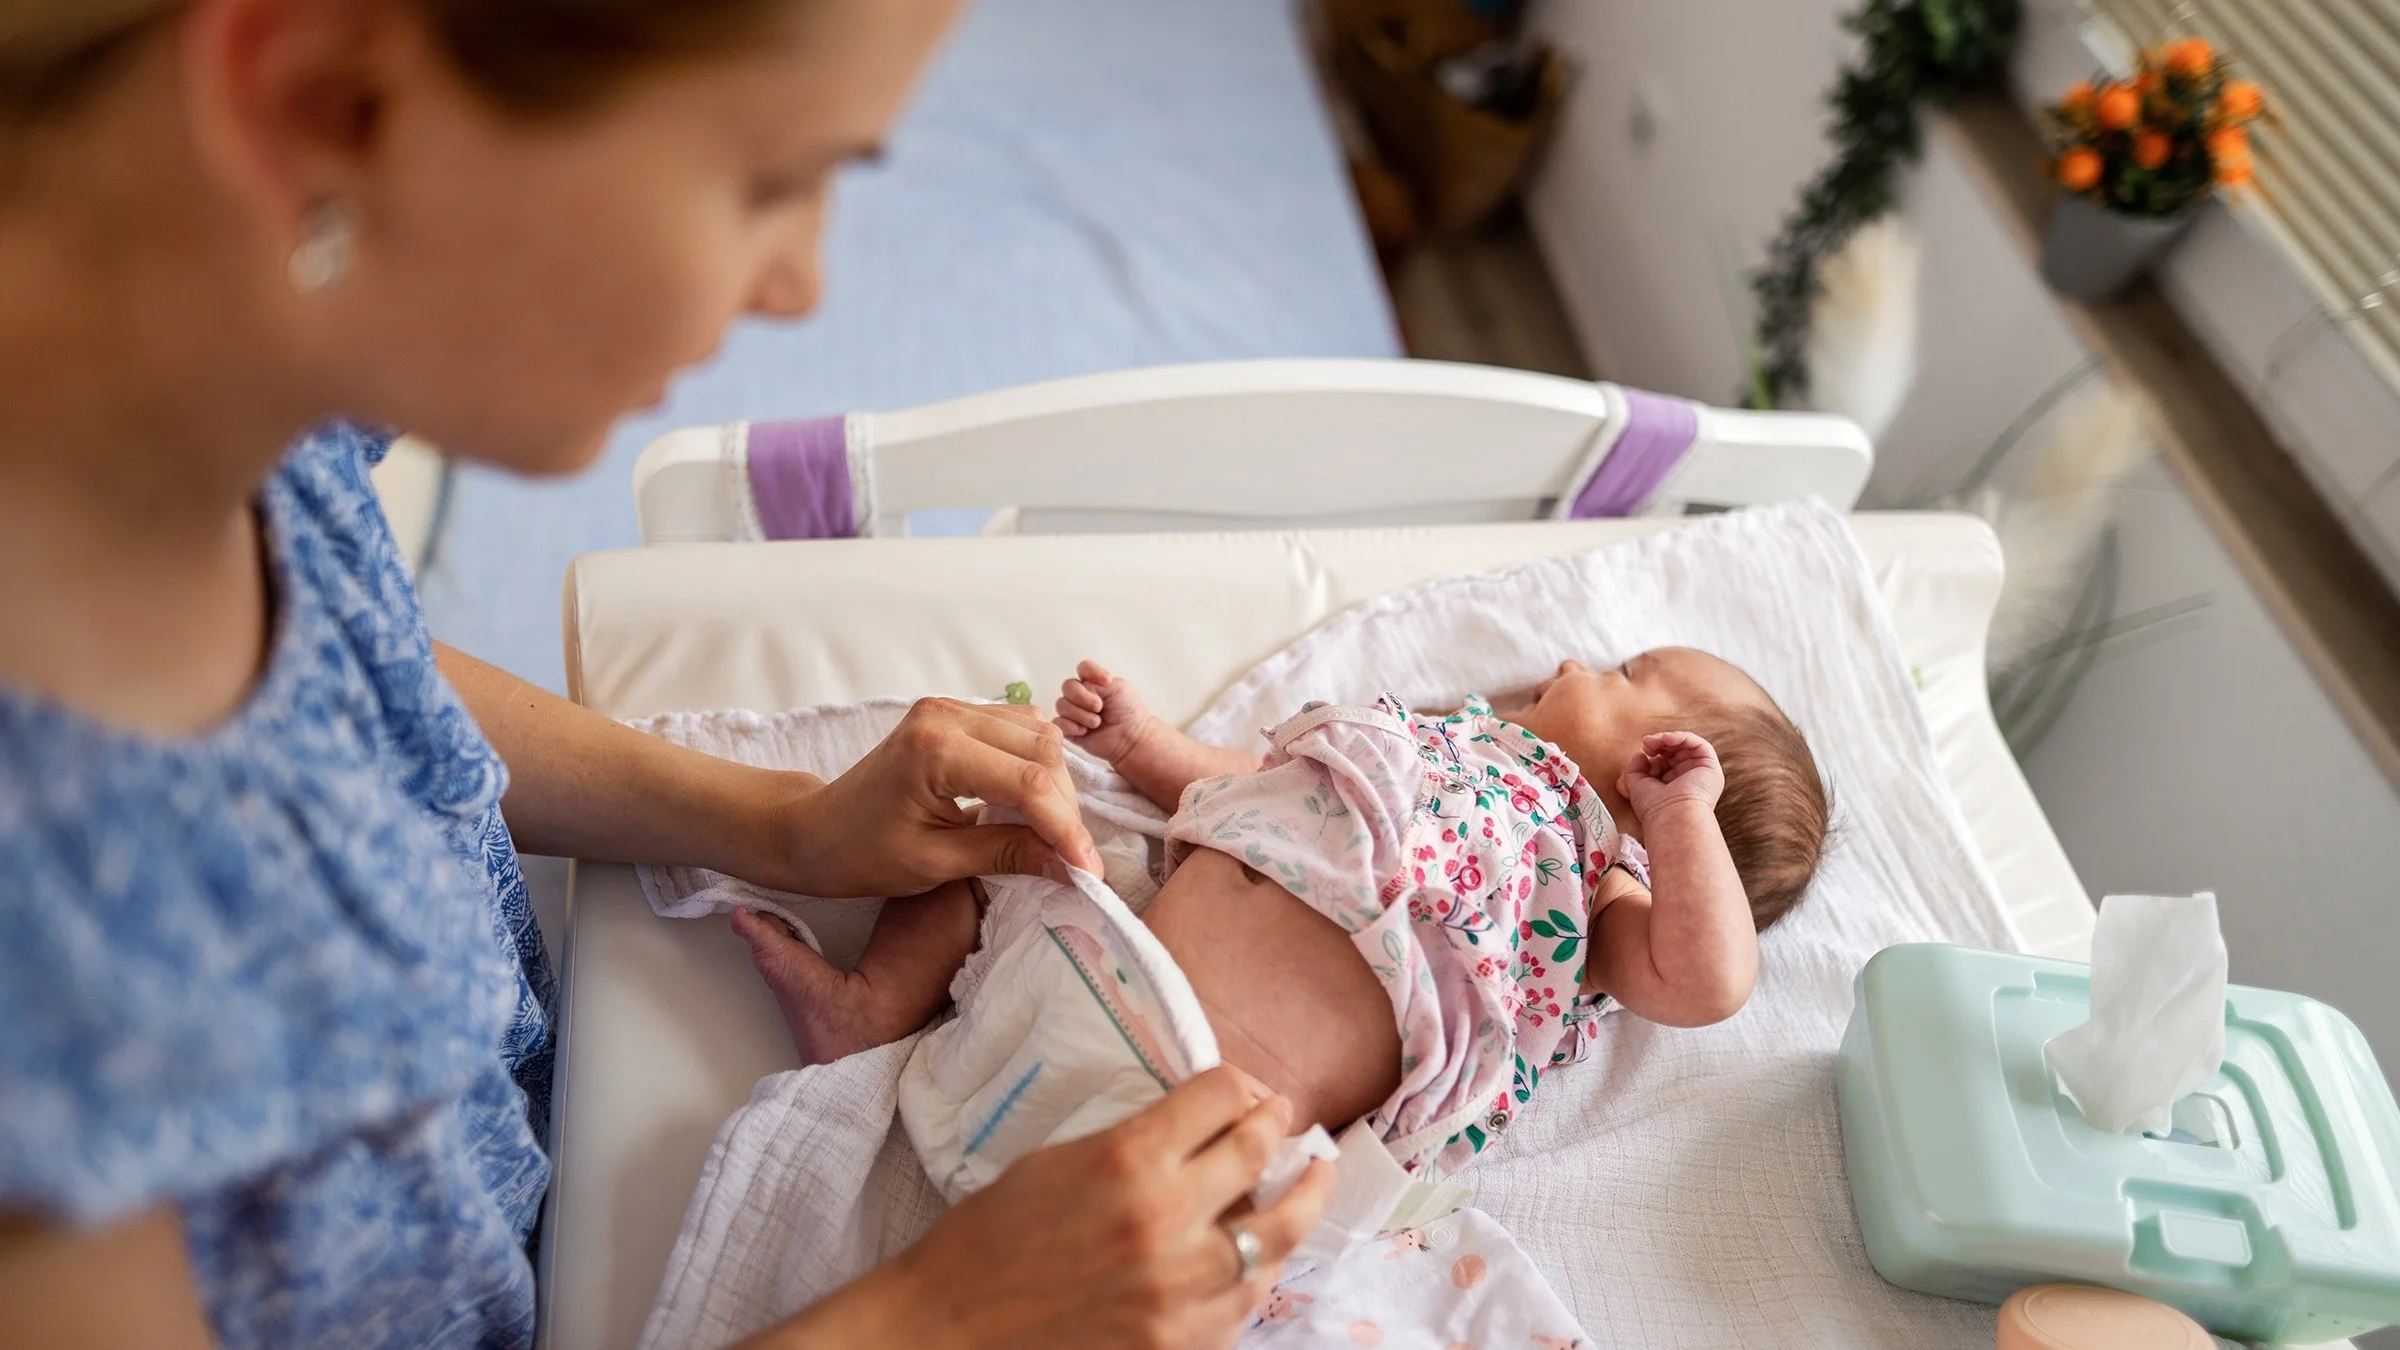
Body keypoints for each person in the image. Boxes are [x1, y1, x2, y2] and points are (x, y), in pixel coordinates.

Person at [0, 1, 1330, 1347]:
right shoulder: (48, 966)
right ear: (325, 97)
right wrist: (951, 1312)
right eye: (770, 181)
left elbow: (352, 672)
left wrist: (770, 819)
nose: (800, 282)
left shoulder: (181, 383)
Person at [750, 647, 1829, 1176]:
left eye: (1630, 668)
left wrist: (1676, 816)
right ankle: (876, 1007)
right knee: (1005, 826)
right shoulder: (1433, 742)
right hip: (1093, 961)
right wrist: (1141, 745)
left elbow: (1708, 983)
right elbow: (1254, 784)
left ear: (1661, 766)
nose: (1574, 658)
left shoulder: (1593, 891)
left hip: (1221, 1117)